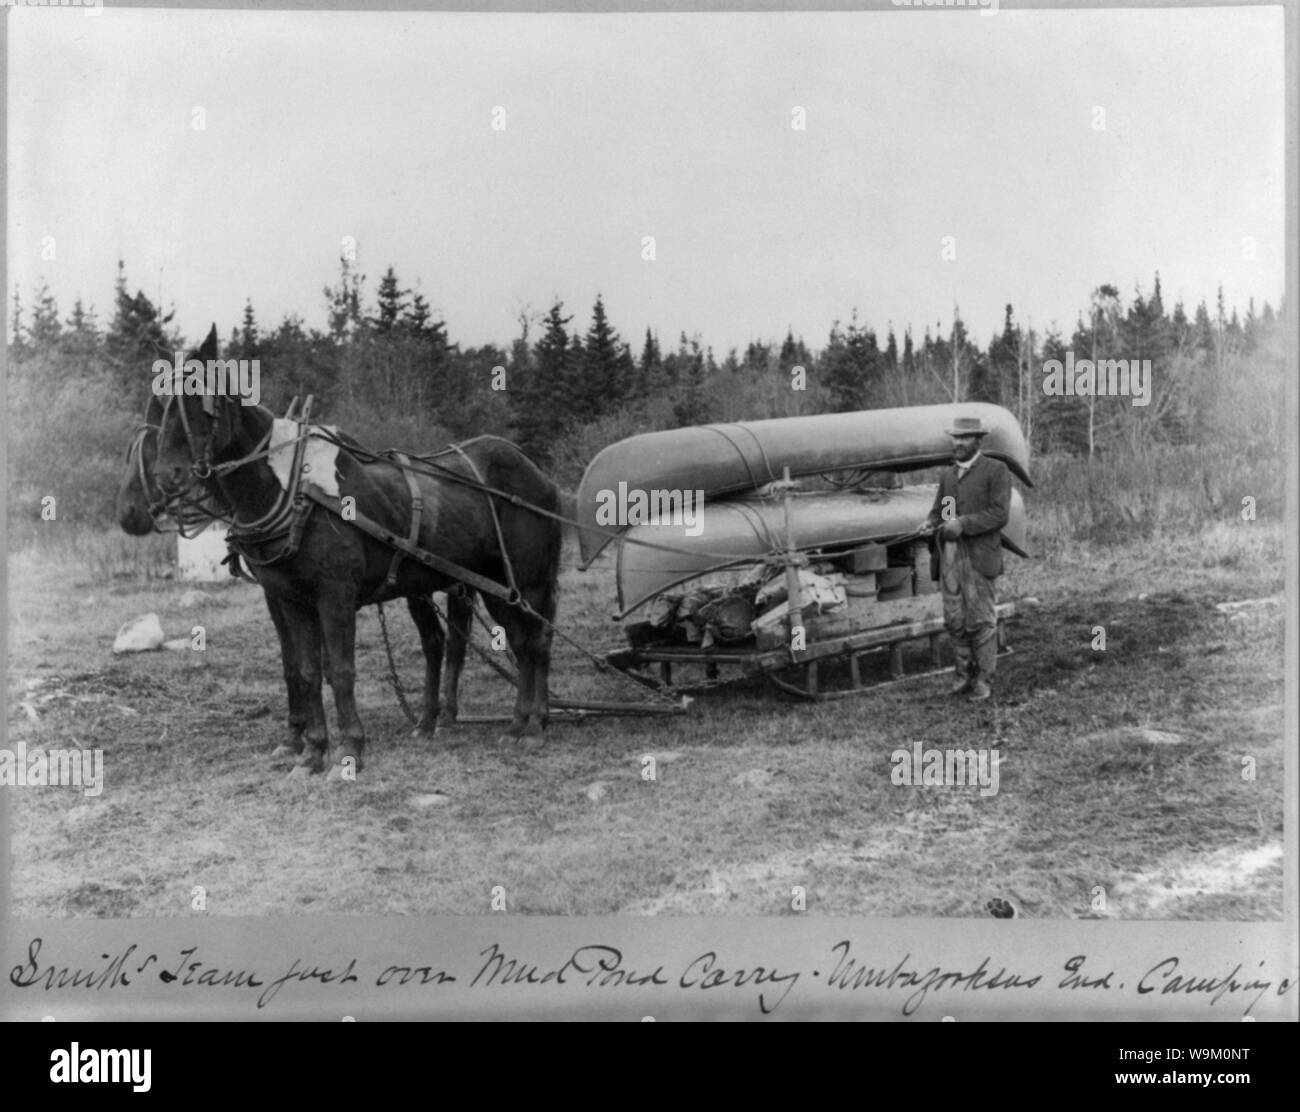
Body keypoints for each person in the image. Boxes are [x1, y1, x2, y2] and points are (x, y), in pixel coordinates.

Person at [921, 415, 1011, 701]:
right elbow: (944, 511)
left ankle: (983, 680)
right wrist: (931, 523)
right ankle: (962, 677)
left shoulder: (996, 470)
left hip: (979, 557)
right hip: (950, 557)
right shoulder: (948, 476)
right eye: (955, 438)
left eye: (964, 438)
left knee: (981, 620)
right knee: (955, 619)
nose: (957, 443)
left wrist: (964, 524)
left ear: (978, 440)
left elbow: (999, 514)